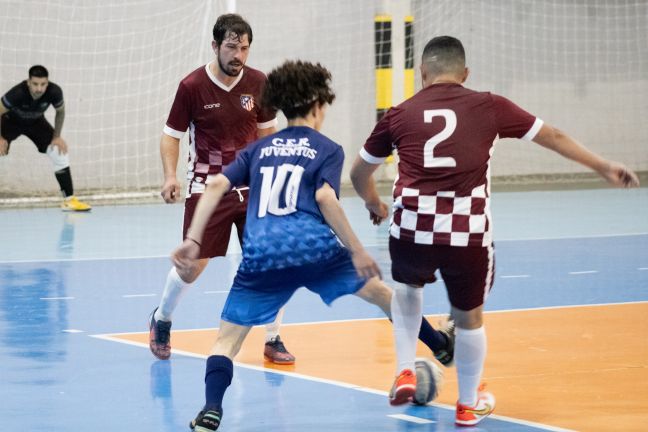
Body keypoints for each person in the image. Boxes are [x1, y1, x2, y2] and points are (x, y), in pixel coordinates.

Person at [350, 35, 640, 427]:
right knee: (469, 317)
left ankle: (404, 368)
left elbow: (359, 171)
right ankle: (468, 405)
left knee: (407, 290)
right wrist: (603, 166)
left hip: (411, 228)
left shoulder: (399, 113)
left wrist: (373, 203)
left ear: (422, 73)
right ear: (465, 73)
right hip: (466, 234)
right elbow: (552, 136)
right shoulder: (489, 105)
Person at [173, 60, 454, 432]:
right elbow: (325, 197)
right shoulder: (327, 148)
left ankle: (211, 410)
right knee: (386, 297)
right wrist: (356, 248)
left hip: (262, 253)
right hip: (313, 247)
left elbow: (213, 187)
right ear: (318, 106)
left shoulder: (257, 149)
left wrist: (193, 239)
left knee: (226, 341)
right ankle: (439, 345)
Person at [147, 14, 296, 364]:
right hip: (208, 187)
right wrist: (171, 176)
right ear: (215, 46)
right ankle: (162, 319)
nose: (238, 55)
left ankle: (273, 338)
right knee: (192, 266)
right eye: (231, 46)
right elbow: (172, 136)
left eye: (244, 48)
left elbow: (266, 134)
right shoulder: (192, 86)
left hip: (251, 187)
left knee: (270, 261)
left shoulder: (260, 83)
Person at [0, 65, 91, 211]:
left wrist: (56, 137)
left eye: (43, 84)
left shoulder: (54, 91)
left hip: (36, 122)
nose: (39, 89)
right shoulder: (17, 93)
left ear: (47, 83)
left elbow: (60, 112)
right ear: (28, 82)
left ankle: (69, 201)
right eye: (35, 84)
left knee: (58, 150)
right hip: (10, 122)